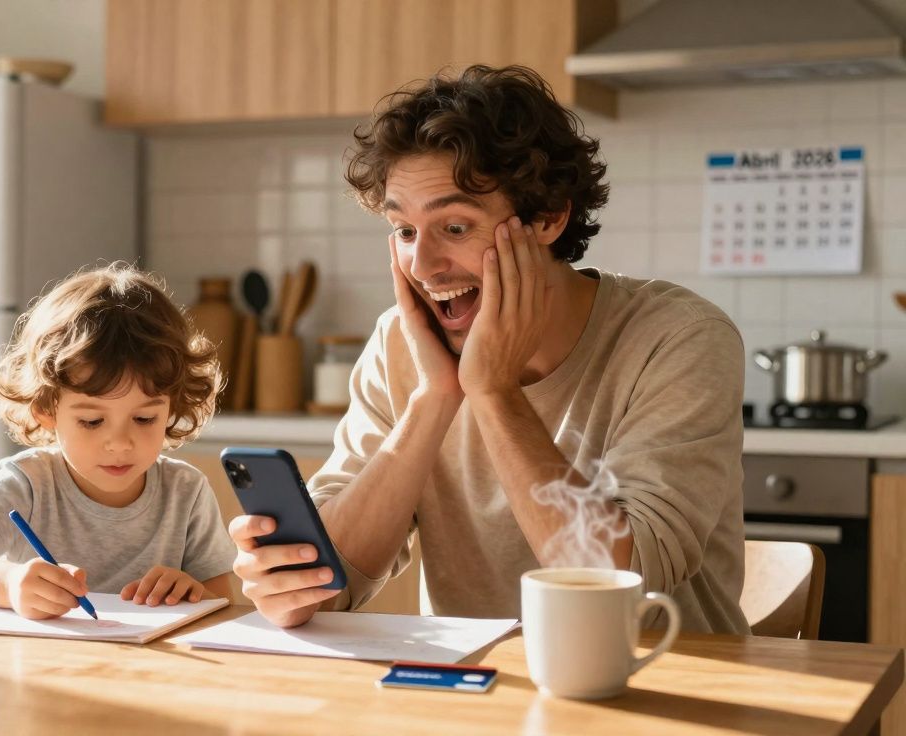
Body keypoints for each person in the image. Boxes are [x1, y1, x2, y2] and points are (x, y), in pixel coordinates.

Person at [229, 65, 749, 635]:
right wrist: (434, 399)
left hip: (667, 689)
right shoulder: (402, 344)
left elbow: (627, 583)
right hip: (474, 693)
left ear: (549, 218)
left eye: (454, 227)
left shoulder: (678, 337)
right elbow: (330, 587)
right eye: (405, 231)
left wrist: (494, 391)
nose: (423, 267)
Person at [0, 264, 236, 620]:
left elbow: (223, 603)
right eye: (92, 421)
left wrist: (193, 592)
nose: (119, 443)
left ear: (172, 407)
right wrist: (10, 583)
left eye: (145, 418)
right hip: (41, 665)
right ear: (45, 409)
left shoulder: (186, 492)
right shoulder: (28, 483)